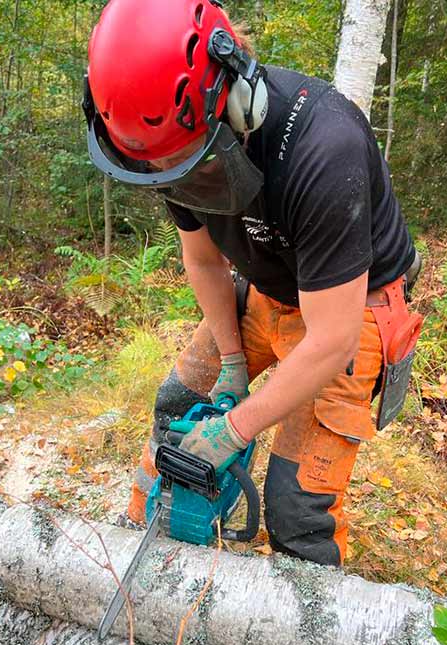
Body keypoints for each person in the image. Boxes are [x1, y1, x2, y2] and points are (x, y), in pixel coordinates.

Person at [84, 0, 423, 566]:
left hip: (350, 313)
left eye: (196, 166)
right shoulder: (163, 142)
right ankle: (149, 552)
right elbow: (205, 260)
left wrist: (235, 429)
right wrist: (233, 362)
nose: (184, 182)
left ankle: (303, 629)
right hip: (265, 291)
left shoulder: (324, 148)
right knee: (178, 405)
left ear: (238, 104)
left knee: (296, 509)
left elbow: (331, 341)